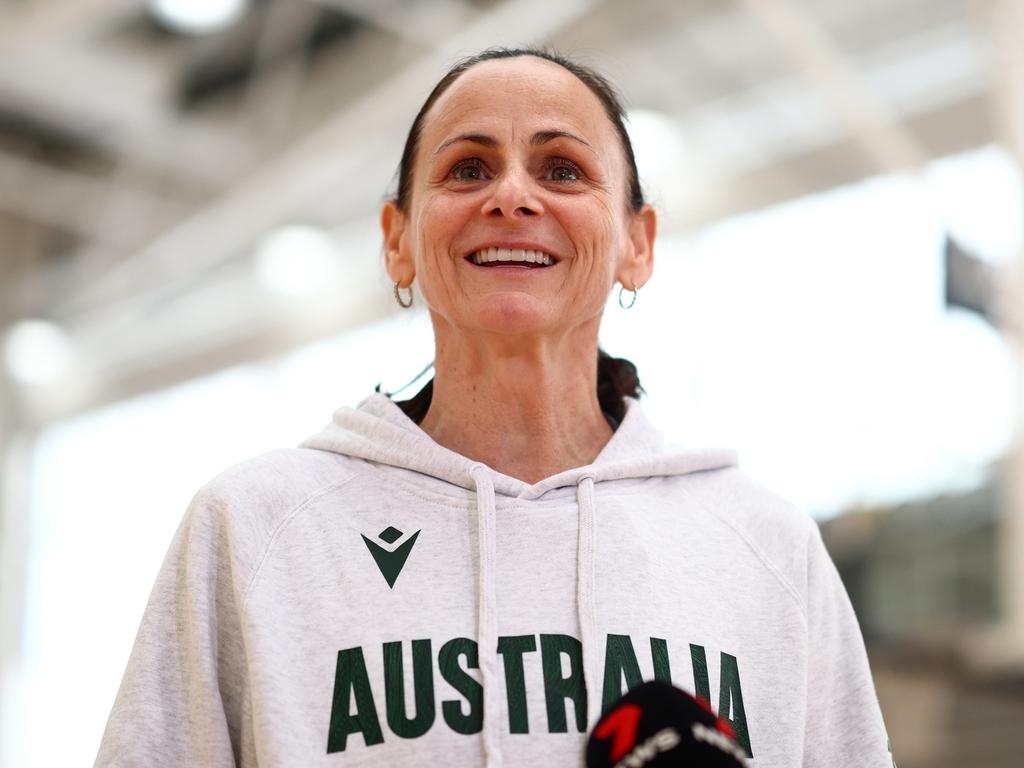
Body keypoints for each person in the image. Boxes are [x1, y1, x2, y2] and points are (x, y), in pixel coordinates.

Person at [95, 48, 894, 767]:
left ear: (637, 245)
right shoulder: (254, 528)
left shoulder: (767, 549)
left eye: (563, 170)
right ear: (398, 239)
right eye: (469, 169)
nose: (512, 195)